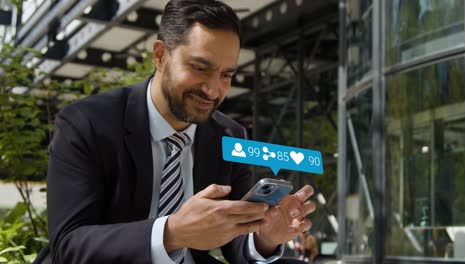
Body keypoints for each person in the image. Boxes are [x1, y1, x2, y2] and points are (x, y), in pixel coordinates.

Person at [33, 0, 316, 263]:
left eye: (226, 75)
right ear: (159, 56)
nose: (213, 89)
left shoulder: (230, 135)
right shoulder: (86, 123)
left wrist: (264, 237)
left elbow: (235, 243)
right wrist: (171, 233)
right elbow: (68, 245)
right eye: (199, 67)